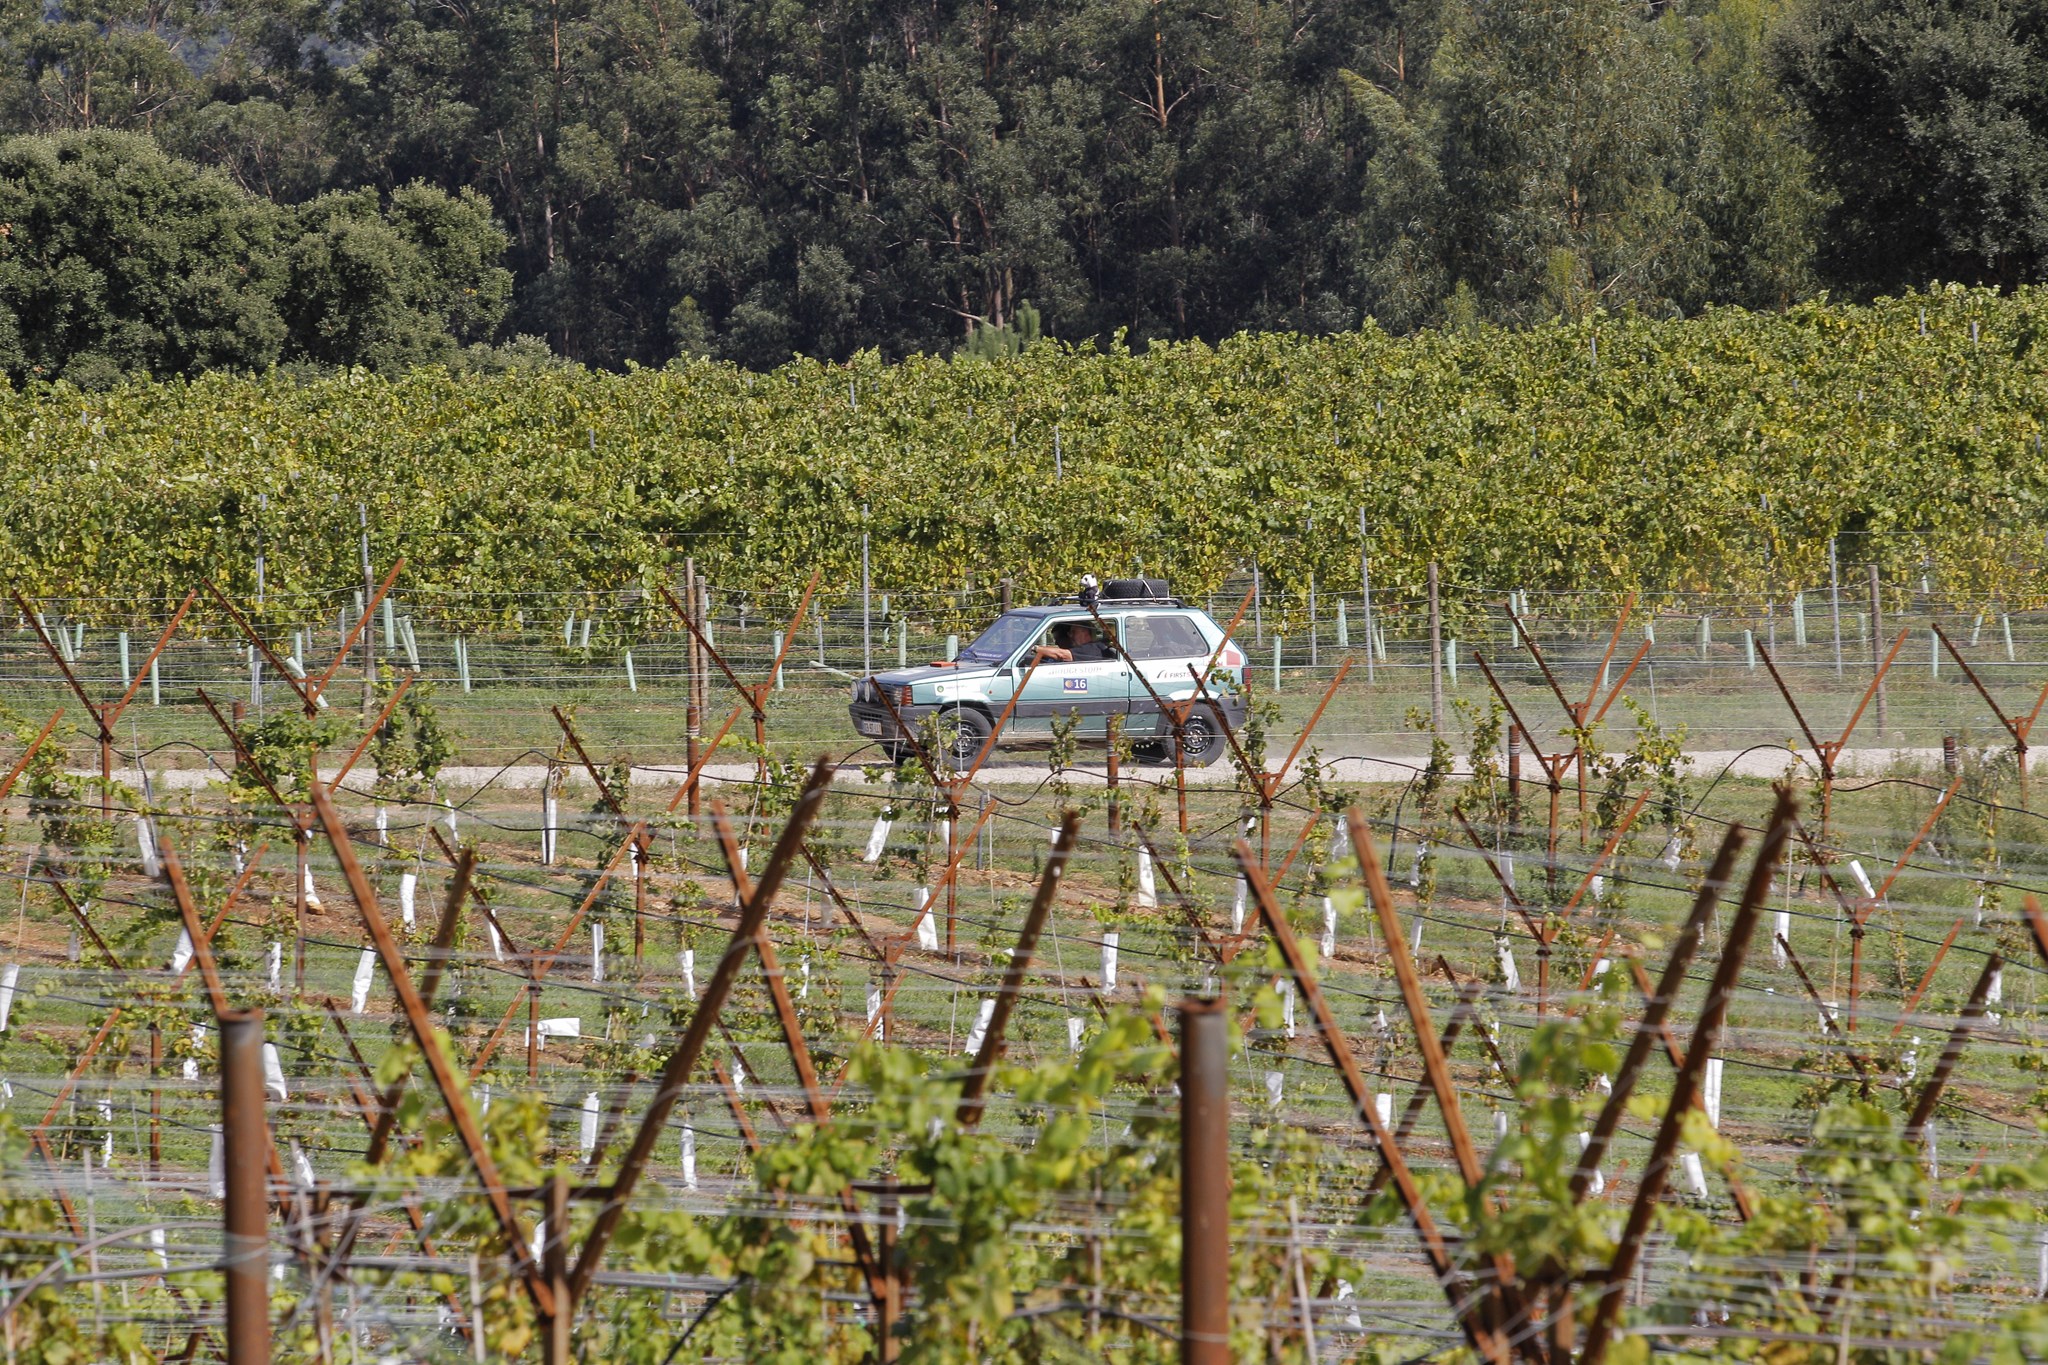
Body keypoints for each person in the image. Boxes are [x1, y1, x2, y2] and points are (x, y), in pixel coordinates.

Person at [1033, 621, 1115, 663]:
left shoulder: (1092, 648)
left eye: (1073, 632)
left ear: (1085, 632)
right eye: (1069, 633)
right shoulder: (1090, 647)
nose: (1070, 636)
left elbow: (1063, 655)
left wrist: (1035, 648)